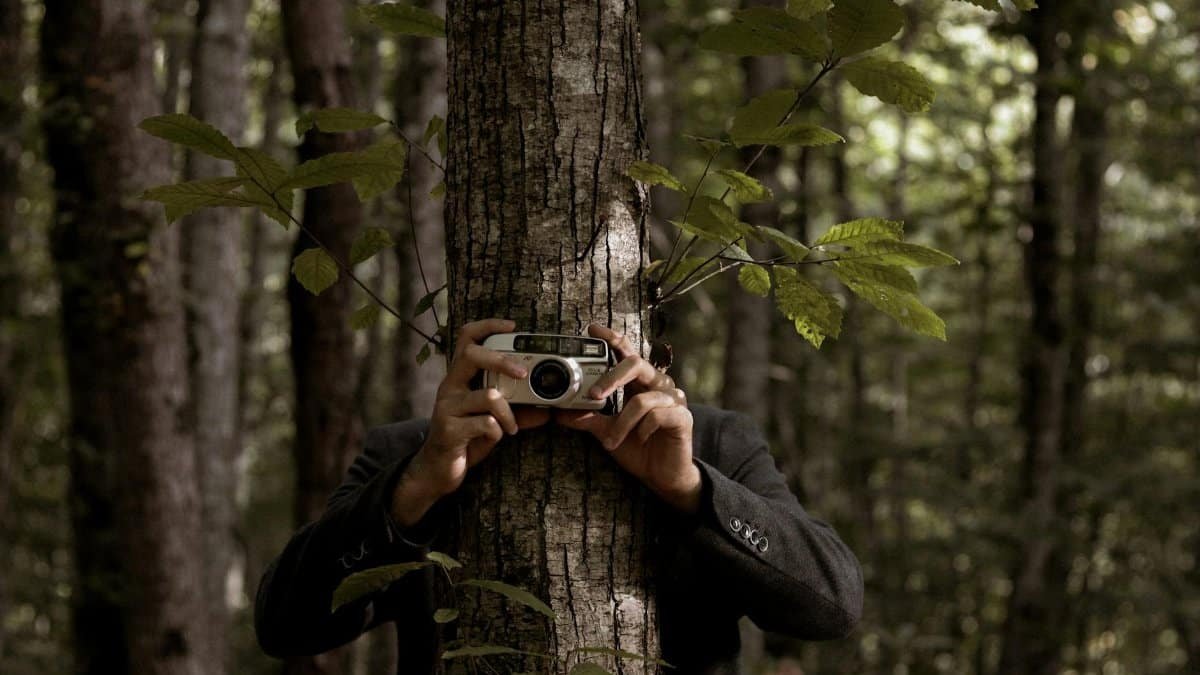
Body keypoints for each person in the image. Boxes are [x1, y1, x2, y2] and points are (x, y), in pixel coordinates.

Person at [255, 319, 863, 673]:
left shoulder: (711, 442)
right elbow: (284, 625)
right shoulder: (412, 455)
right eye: (532, 355)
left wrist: (690, 488)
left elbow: (831, 603)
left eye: (579, 354)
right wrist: (412, 491)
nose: (554, 377)